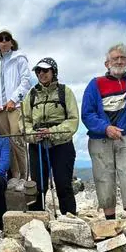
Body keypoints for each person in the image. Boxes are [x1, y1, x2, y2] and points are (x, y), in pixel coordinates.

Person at [81, 43, 126, 222]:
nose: (119, 61)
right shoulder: (95, 83)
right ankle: (110, 223)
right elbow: (87, 113)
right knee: (103, 179)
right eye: (115, 58)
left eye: (123, 58)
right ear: (107, 63)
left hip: (124, 138)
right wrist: (105, 128)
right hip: (100, 139)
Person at [21, 58, 79, 215]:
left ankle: (70, 220)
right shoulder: (31, 95)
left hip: (62, 144)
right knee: (37, 186)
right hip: (37, 144)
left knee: (63, 183)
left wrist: (52, 132)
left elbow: (73, 120)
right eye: (38, 71)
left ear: (54, 72)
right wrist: (33, 136)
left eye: (45, 70)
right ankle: (36, 221)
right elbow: (24, 121)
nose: (41, 73)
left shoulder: (65, 92)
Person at [0, 29, 31, 180]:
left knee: (17, 140)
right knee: (6, 143)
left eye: (7, 39)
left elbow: (26, 82)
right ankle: (15, 175)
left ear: (12, 42)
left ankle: (25, 176)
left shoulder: (20, 58)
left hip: (15, 106)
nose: (4, 42)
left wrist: (14, 99)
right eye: (1, 39)